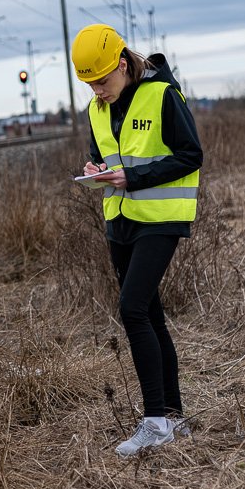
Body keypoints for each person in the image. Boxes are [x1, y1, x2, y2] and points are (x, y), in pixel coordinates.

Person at [71, 24, 203, 457]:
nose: (97, 89)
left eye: (103, 81)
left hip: (161, 218)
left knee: (130, 309)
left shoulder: (163, 95)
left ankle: (155, 422)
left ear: (123, 66)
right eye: (90, 83)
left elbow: (190, 155)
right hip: (120, 219)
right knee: (150, 314)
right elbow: (102, 153)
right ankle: (174, 414)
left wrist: (135, 177)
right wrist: (94, 170)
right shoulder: (96, 108)